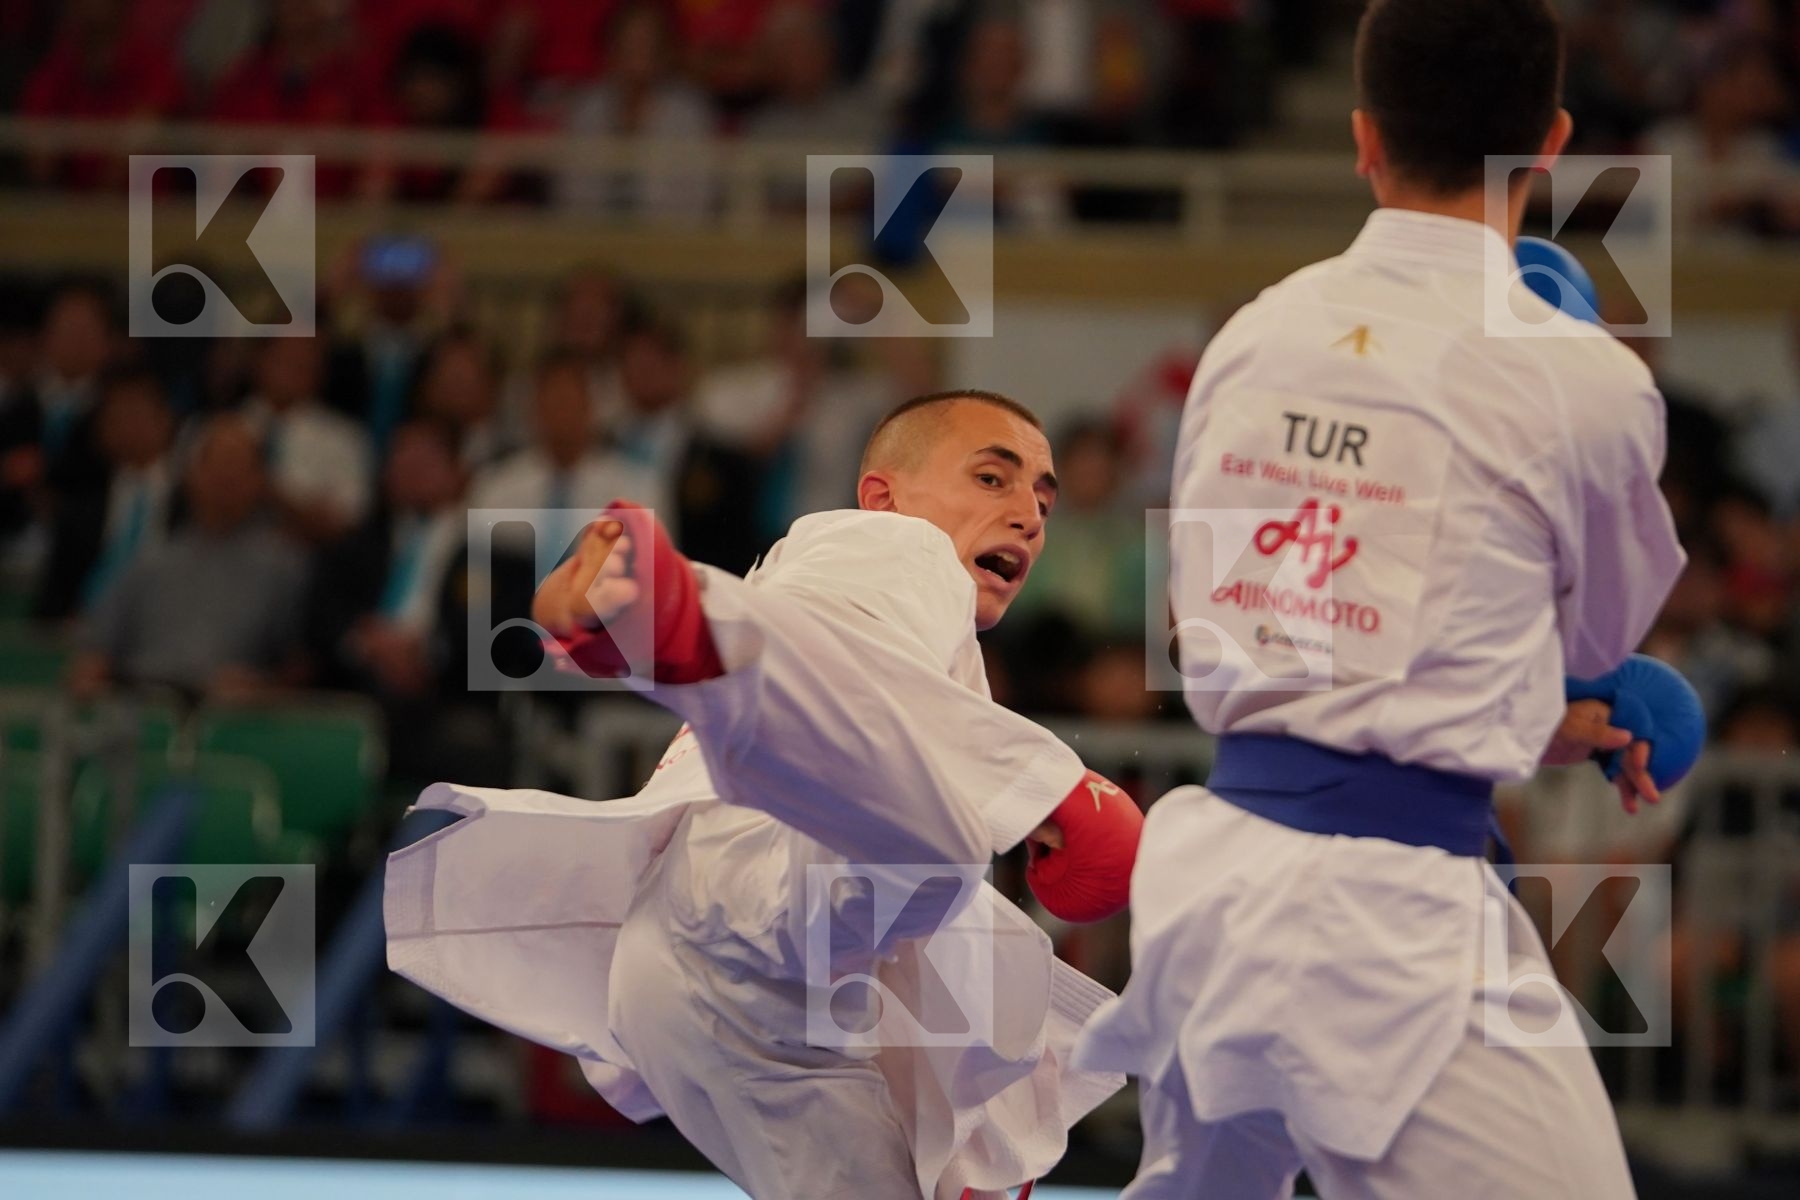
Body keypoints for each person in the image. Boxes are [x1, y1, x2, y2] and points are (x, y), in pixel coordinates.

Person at [1073, 2, 1687, 1196]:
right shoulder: (1588, 379)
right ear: (1549, 143)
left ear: (1362, 138)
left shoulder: (1251, 338)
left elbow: (1241, 623)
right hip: (1385, 916)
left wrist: (1491, 698)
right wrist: (1525, 693)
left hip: (1219, 876)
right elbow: (1604, 640)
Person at [385, 390, 1144, 1199]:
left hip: (703, 986)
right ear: (884, 495)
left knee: (959, 901)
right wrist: (1057, 788)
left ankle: (666, 629)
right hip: (750, 906)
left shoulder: (927, 661)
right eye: (994, 479)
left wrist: (976, 1157)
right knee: (942, 849)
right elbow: (843, 659)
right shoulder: (888, 550)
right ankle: (673, 624)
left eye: (1043, 497)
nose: (1029, 512)